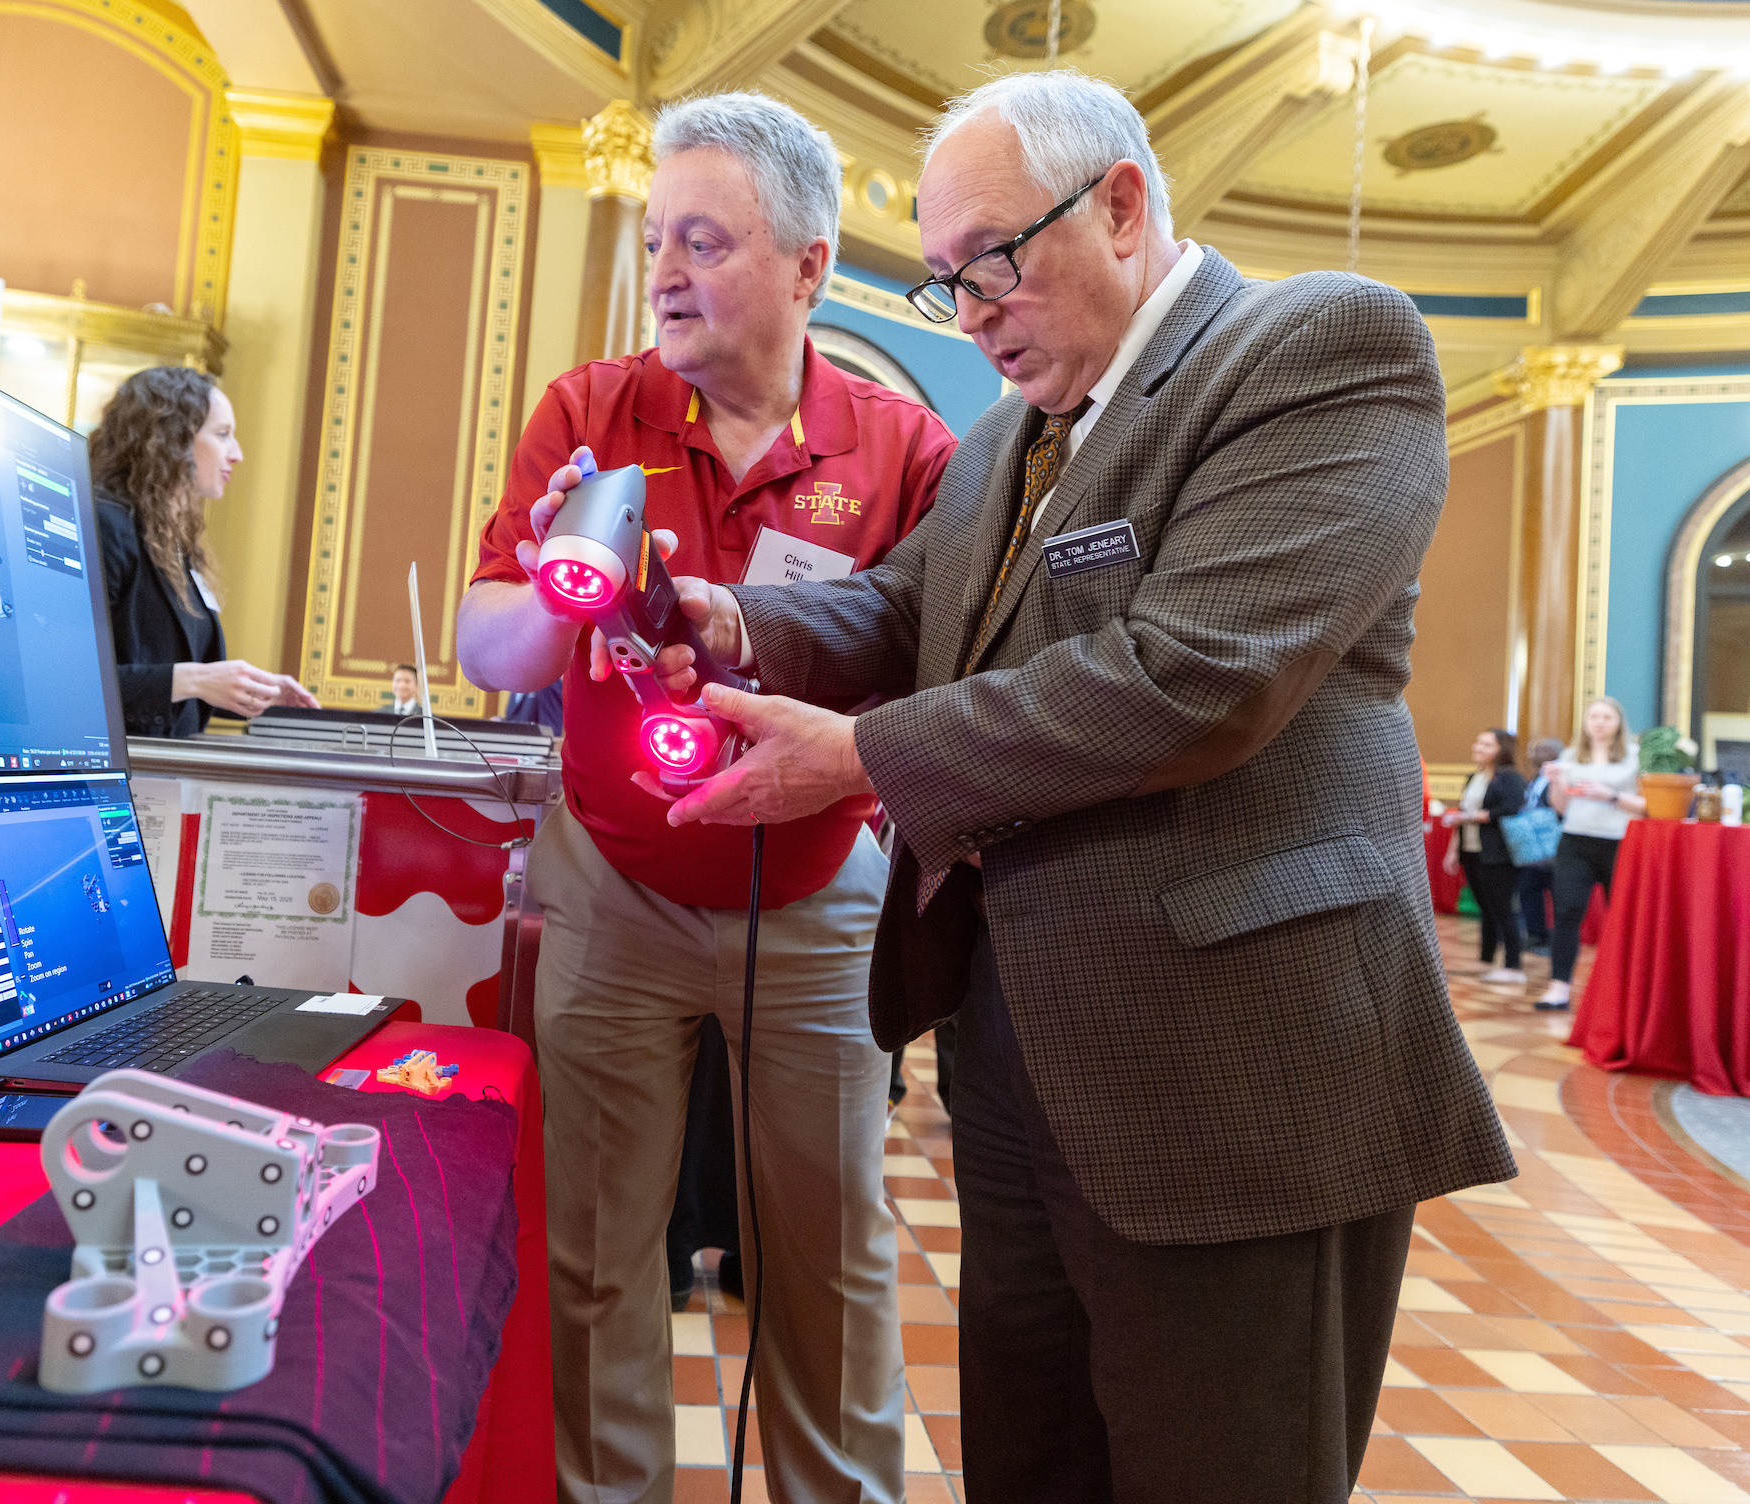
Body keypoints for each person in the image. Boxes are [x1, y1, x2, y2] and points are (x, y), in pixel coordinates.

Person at [636, 71, 1513, 1501]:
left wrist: (857, 757)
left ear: (1119, 204)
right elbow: (900, 609)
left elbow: (1198, 673)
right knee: (1035, 1459)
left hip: (1235, 1056)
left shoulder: (1316, 346)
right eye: (942, 283)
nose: (971, 310)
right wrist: (729, 620)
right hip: (1020, 1039)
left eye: (992, 260)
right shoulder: (1004, 437)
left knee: (1219, 1466)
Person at [455, 91, 957, 1504]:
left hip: (813, 901)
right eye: (655, 240)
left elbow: (936, 673)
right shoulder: (594, 412)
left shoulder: (907, 450)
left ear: (807, 266)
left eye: (706, 241)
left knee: (829, 1258)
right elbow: (487, 642)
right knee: (597, 1254)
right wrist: (562, 580)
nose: (665, 271)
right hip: (609, 887)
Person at [89, 367, 318, 736]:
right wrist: (197, 680)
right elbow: (70, 680)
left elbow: (165, 676)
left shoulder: (167, 537)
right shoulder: (106, 525)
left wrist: (247, 692)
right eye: (223, 435)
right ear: (171, 440)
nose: (238, 454)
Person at [1540, 696, 1643, 1010]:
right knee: (1567, 914)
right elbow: (1561, 807)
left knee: (1624, 918)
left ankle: (1625, 992)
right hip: (1575, 842)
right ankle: (1558, 987)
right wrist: (1555, 783)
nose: (1599, 722)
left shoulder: (1635, 757)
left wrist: (1609, 796)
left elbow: (1649, 805)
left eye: (1606, 717)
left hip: (1620, 843)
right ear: (1585, 723)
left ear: (1618, 724)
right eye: (1594, 716)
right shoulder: (1571, 756)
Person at [1442, 728, 1527, 984]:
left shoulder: (1509, 777)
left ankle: (1514, 966)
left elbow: (1511, 809)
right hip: (1471, 850)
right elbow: (1462, 813)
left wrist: (1473, 817)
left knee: (1503, 909)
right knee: (1486, 909)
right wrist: (1453, 850)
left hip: (1499, 854)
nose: (1478, 747)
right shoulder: (1474, 777)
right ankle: (1486, 960)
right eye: (1478, 741)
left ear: (1501, 749)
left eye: (1486, 744)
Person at [1518, 736, 1565, 954]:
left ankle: (1558, 938)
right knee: (1529, 889)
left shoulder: (1562, 778)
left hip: (1554, 845)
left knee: (1558, 892)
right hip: (1532, 846)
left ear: (1556, 754)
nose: (1535, 754)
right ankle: (1535, 934)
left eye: (1542, 750)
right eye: (1534, 750)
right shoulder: (1534, 778)